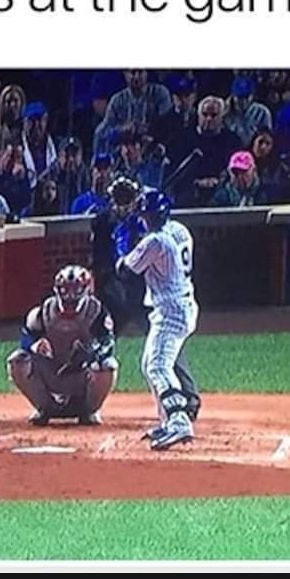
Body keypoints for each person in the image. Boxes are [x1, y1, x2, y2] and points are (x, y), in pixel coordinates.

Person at [116, 191, 200, 450]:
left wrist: (123, 241)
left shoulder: (155, 242)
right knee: (148, 364)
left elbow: (124, 271)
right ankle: (167, 420)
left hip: (170, 311)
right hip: (181, 304)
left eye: (145, 215)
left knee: (159, 368)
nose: (142, 219)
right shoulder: (180, 230)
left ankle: (179, 421)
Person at [6, 265, 117, 425]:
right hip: (53, 370)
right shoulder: (43, 312)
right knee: (17, 360)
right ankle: (44, 407)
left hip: (82, 374)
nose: (70, 297)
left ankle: (90, 410)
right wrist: (35, 345)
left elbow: (108, 343)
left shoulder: (97, 312)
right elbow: (26, 337)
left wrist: (91, 353)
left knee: (107, 365)